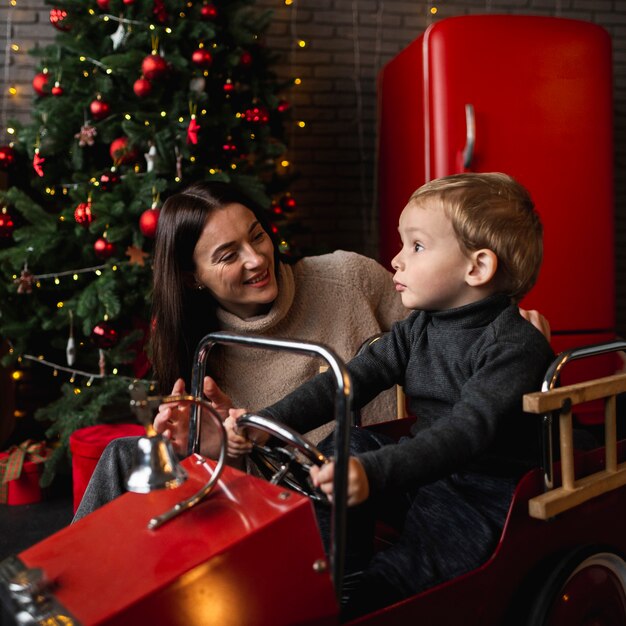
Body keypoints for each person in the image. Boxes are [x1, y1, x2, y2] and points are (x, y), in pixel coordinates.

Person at [208, 172, 555, 617]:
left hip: (485, 492)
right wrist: (266, 423)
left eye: (416, 246)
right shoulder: (419, 328)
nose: (396, 260)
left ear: (478, 268)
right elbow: (346, 381)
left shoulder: (513, 345)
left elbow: (468, 431)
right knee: (343, 449)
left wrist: (373, 472)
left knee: (401, 576)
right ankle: (335, 571)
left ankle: (364, 597)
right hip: (424, 468)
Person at [73, 180, 409, 520]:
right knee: (122, 456)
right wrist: (206, 447)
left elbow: (435, 340)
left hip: (356, 497)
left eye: (258, 235)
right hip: (265, 505)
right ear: (193, 278)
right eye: (229, 255)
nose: (257, 258)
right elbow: (236, 484)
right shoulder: (200, 350)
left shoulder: (348, 278)